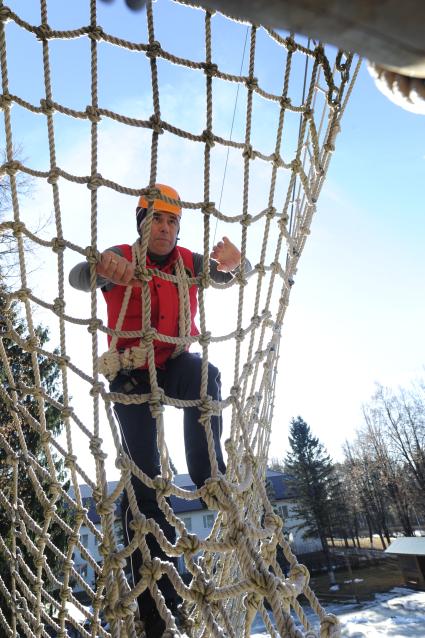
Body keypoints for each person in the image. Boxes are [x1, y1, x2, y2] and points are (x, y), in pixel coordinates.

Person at [69, 184, 251, 638]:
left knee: (204, 374)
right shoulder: (122, 256)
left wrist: (238, 262)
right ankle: (155, 604)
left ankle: (210, 475)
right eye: (157, 220)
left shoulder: (188, 262)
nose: (165, 229)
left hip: (172, 364)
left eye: (172, 221)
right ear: (141, 223)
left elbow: (229, 276)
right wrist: (101, 268)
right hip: (131, 372)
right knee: (145, 481)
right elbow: (80, 276)